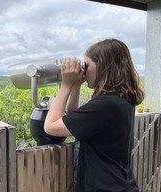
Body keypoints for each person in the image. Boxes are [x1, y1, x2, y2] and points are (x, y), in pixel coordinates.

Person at [44, 39, 144, 192]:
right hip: (118, 184)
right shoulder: (119, 100)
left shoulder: (106, 105)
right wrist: (76, 86)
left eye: (87, 65)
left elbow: (51, 127)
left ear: (103, 67)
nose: (83, 70)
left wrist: (65, 86)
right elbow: (74, 119)